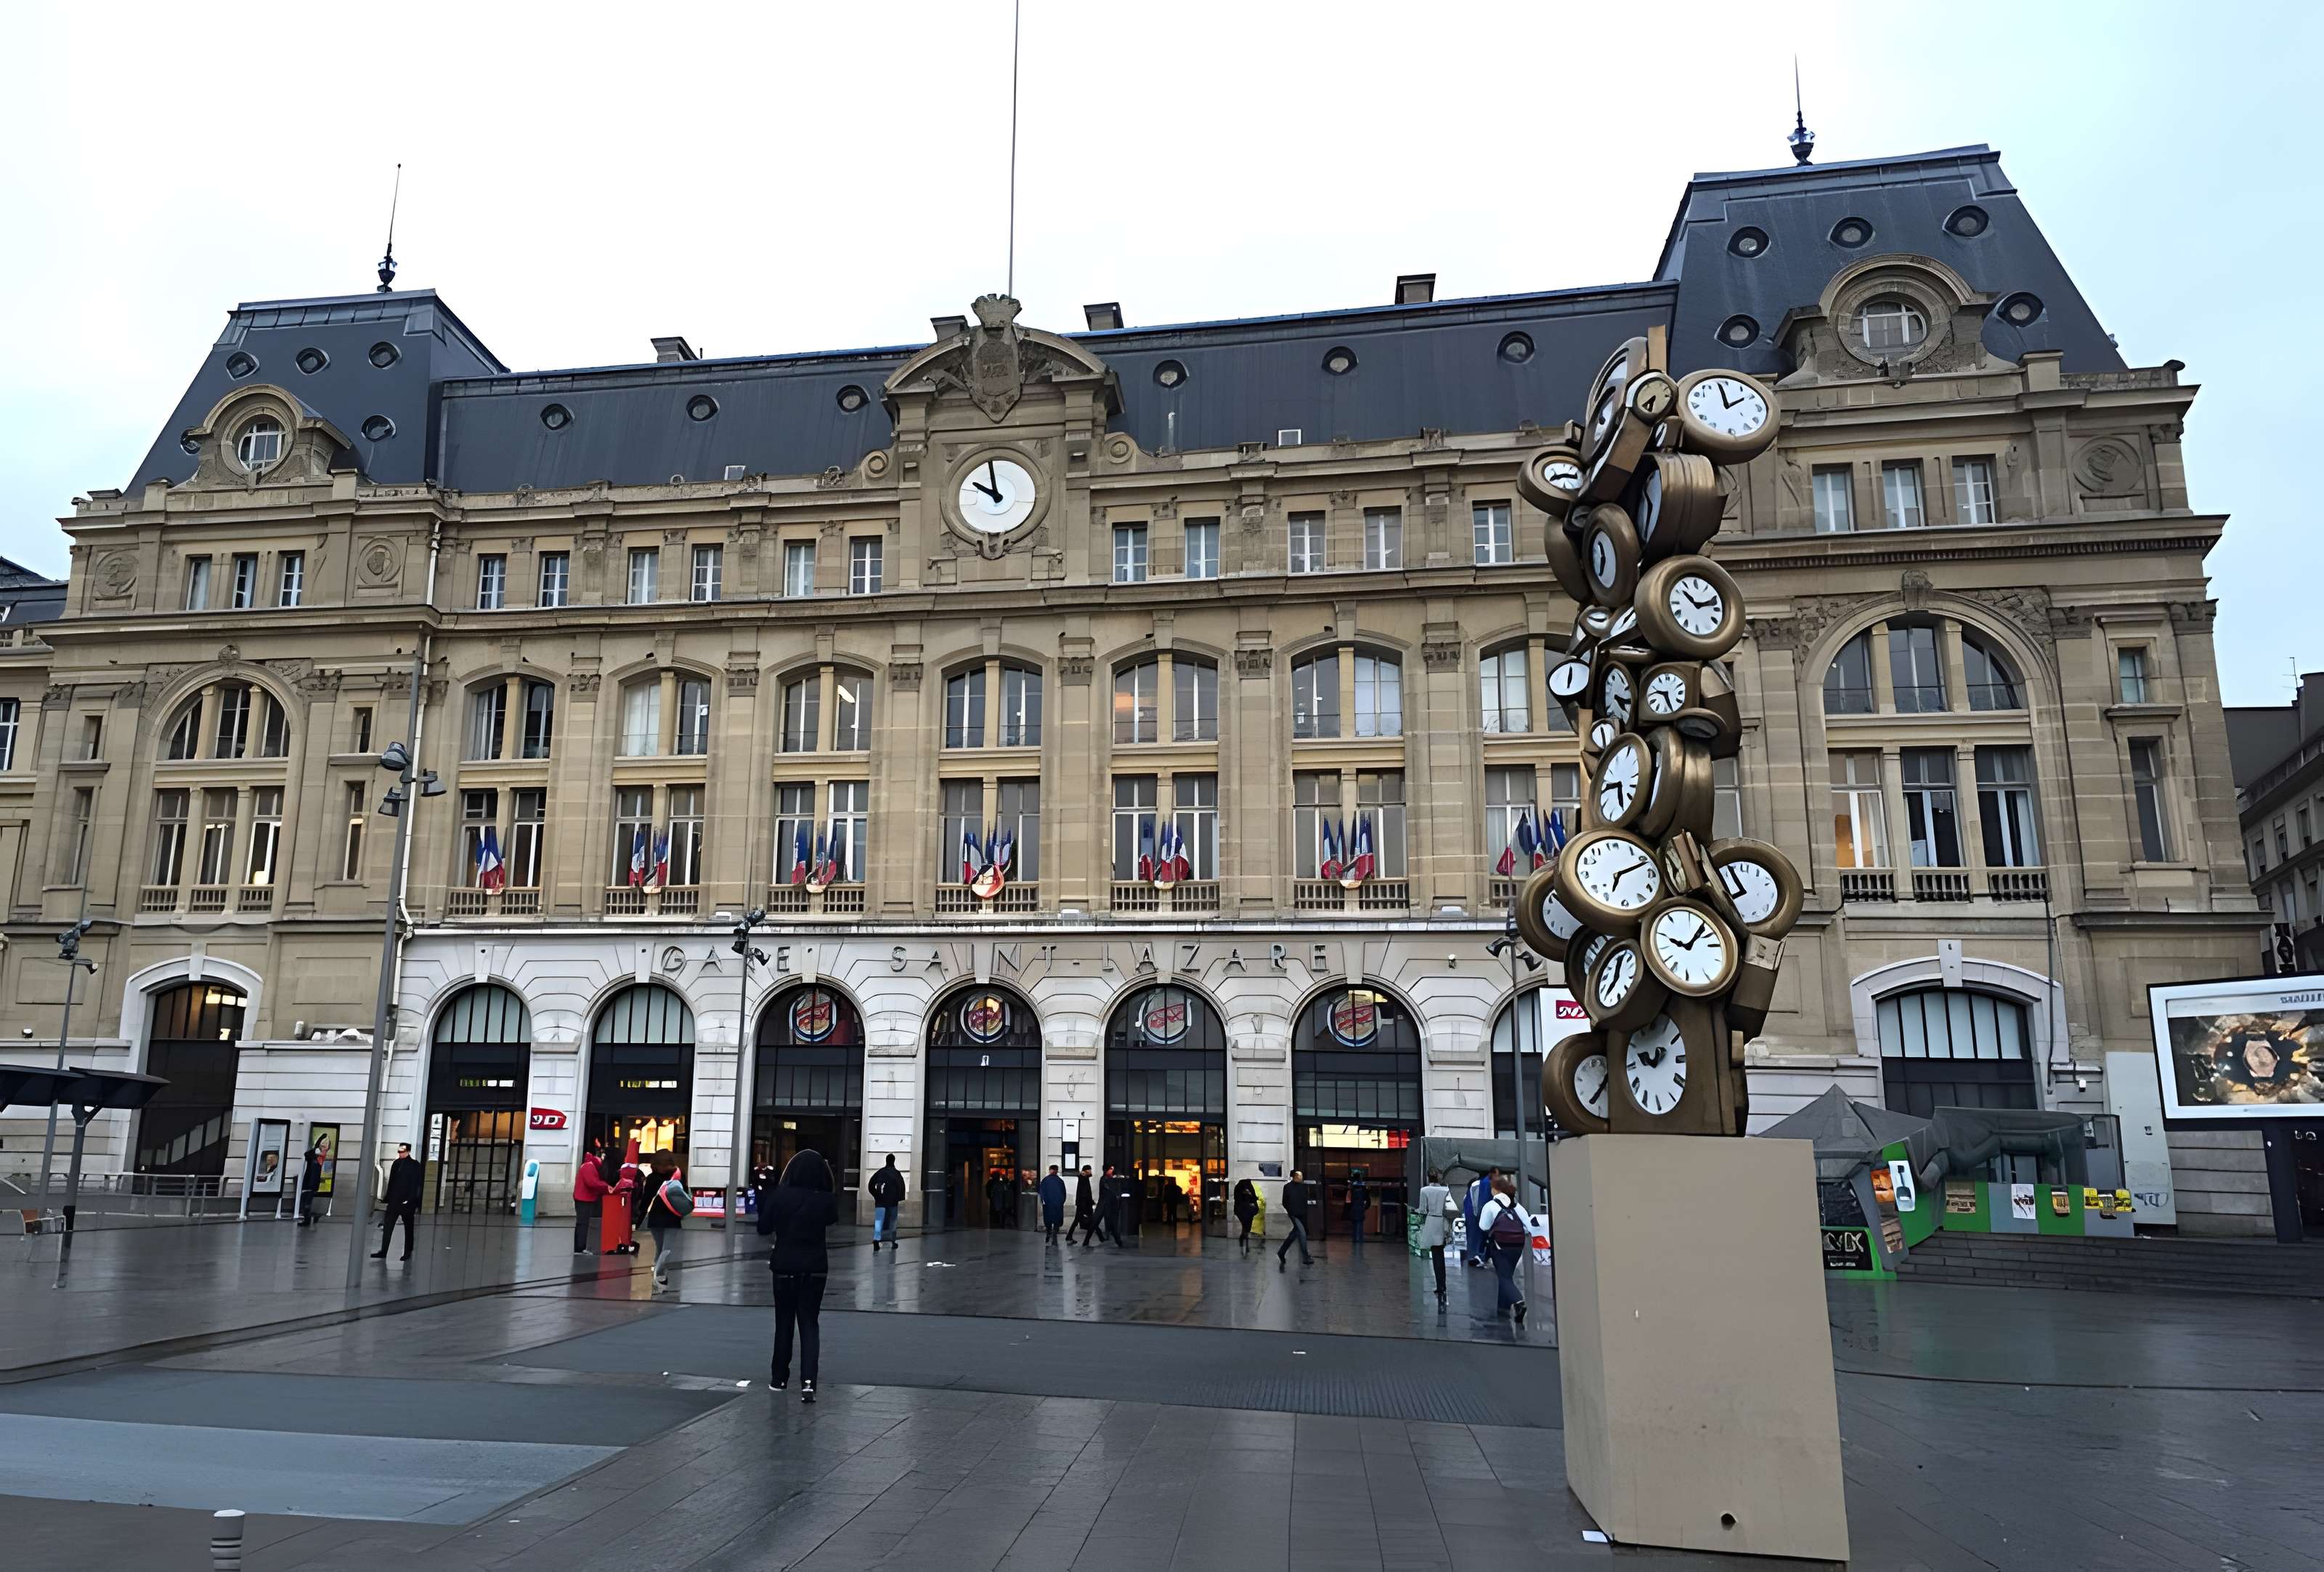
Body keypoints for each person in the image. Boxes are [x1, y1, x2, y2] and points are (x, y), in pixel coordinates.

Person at [757, 1148, 840, 1403]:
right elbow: (831, 1221)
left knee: (784, 1322)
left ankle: (779, 1378)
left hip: (784, 1264)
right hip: (815, 1266)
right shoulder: (826, 1199)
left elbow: (763, 1228)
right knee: (809, 1322)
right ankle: (808, 1382)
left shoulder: (779, 1195)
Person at [1479, 1173, 1528, 1324]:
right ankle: (1503, 1308)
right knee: (1507, 1275)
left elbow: (1483, 1226)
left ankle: (1518, 1302)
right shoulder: (1517, 1206)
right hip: (1518, 1246)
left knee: (1504, 1277)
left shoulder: (1491, 1205)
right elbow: (1527, 1224)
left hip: (1500, 1246)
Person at [644, 1157, 691, 1289]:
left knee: (660, 1248)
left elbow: (646, 1198)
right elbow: (685, 1196)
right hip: (672, 1218)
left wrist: (638, 1217)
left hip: (655, 1217)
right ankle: (659, 1277)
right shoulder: (678, 1176)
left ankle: (659, 1277)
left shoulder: (652, 1178)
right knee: (667, 1249)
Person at [371, 1141, 422, 1260]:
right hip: (395, 1201)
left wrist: (410, 1199)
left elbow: (416, 1184)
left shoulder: (415, 1165)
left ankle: (407, 1252)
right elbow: (392, 1182)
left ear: (408, 1151)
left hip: (407, 1203)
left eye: (402, 1151)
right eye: (399, 1151)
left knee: (409, 1228)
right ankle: (384, 1251)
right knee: (388, 1226)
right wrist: (388, 1198)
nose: (400, 1153)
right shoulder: (396, 1163)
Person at [1415, 1168, 1452, 1309]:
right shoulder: (1445, 1190)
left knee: (1435, 1253)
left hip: (1431, 1221)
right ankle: (1442, 1285)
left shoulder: (1424, 1191)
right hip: (1442, 1222)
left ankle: (1440, 1286)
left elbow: (1422, 1209)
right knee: (1440, 1254)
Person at [572, 1142, 610, 1255]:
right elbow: (592, 1183)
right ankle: (580, 1247)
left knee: (582, 1223)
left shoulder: (587, 1165)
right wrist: (606, 1186)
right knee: (583, 1223)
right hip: (584, 1199)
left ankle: (579, 1247)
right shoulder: (589, 1167)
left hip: (583, 1198)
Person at [1275, 1170, 1315, 1269]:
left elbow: (1304, 1200)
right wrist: (1291, 1211)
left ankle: (1281, 1252)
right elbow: (1284, 1202)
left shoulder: (1303, 1187)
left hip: (1301, 1215)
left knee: (1294, 1234)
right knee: (1302, 1234)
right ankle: (1306, 1257)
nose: (1300, 1178)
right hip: (1294, 1215)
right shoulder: (1288, 1187)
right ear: (1294, 1177)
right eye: (1298, 1176)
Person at [867, 1153, 905, 1252]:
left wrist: (876, 1195)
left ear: (886, 1161)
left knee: (879, 1221)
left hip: (880, 1201)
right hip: (893, 1202)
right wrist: (898, 1198)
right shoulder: (896, 1173)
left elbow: (871, 1184)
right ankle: (893, 1242)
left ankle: (876, 1239)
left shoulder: (880, 1172)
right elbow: (901, 1187)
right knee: (893, 1221)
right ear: (894, 1161)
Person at [1462, 1167, 1496, 1268]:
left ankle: (1476, 1256)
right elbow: (1482, 1201)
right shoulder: (1486, 1183)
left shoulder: (1476, 1184)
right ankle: (1481, 1257)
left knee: (1475, 1238)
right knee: (1487, 1237)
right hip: (1480, 1215)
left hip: (1473, 1216)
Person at [1066, 1164, 1098, 1247]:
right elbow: (1085, 1193)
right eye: (1090, 1170)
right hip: (1084, 1205)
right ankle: (1095, 1239)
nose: (1091, 1171)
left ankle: (1069, 1236)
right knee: (1092, 1221)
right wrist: (1090, 1202)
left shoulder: (1083, 1178)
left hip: (1082, 1204)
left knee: (1077, 1221)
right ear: (1086, 1171)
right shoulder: (1084, 1179)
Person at [296, 1145, 325, 1227]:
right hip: (309, 1184)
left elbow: (308, 1154)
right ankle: (308, 1219)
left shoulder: (317, 1159)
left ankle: (309, 1218)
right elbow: (307, 1154)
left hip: (311, 1184)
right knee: (305, 1203)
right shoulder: (314, 1159)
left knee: (306, 1204)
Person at [1038, 1164, 1067, 1244]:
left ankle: (1048, 1233)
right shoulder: (1060, 1181)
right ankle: (1054, 1234)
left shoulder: (1045, 1180)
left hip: (1048, 1204)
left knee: (1048, 1220)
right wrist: (1061, 1202)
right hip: (1058, 1204)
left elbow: (1042, 1192)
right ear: (1057, 1171)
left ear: (1050, 1170)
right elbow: (1064, 1193)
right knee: (1056, 1220)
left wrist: (1043, 1202)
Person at [1232, 1177, 1260, 1255]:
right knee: (1246, 1227)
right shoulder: (1242, 1187)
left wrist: (1250, 1195)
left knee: (1246, 1228)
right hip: (1244, 1210)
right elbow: (1239, 1199)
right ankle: (1245, 1240)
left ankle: (1244, 1240)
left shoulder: (1240, 1187)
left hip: (1246, 1211)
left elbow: (1253, 1198)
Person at [1348, 1170, 1370, 1244]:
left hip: (1354, 1207)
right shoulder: (1363, 1187)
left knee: (1354, 1224)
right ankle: (1360, 1239)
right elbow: (1367, 1198)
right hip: (1361, 1207)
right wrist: (1366, 1207)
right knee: (1360, 1224)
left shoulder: (1352, 1186)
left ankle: (1355, 1239)